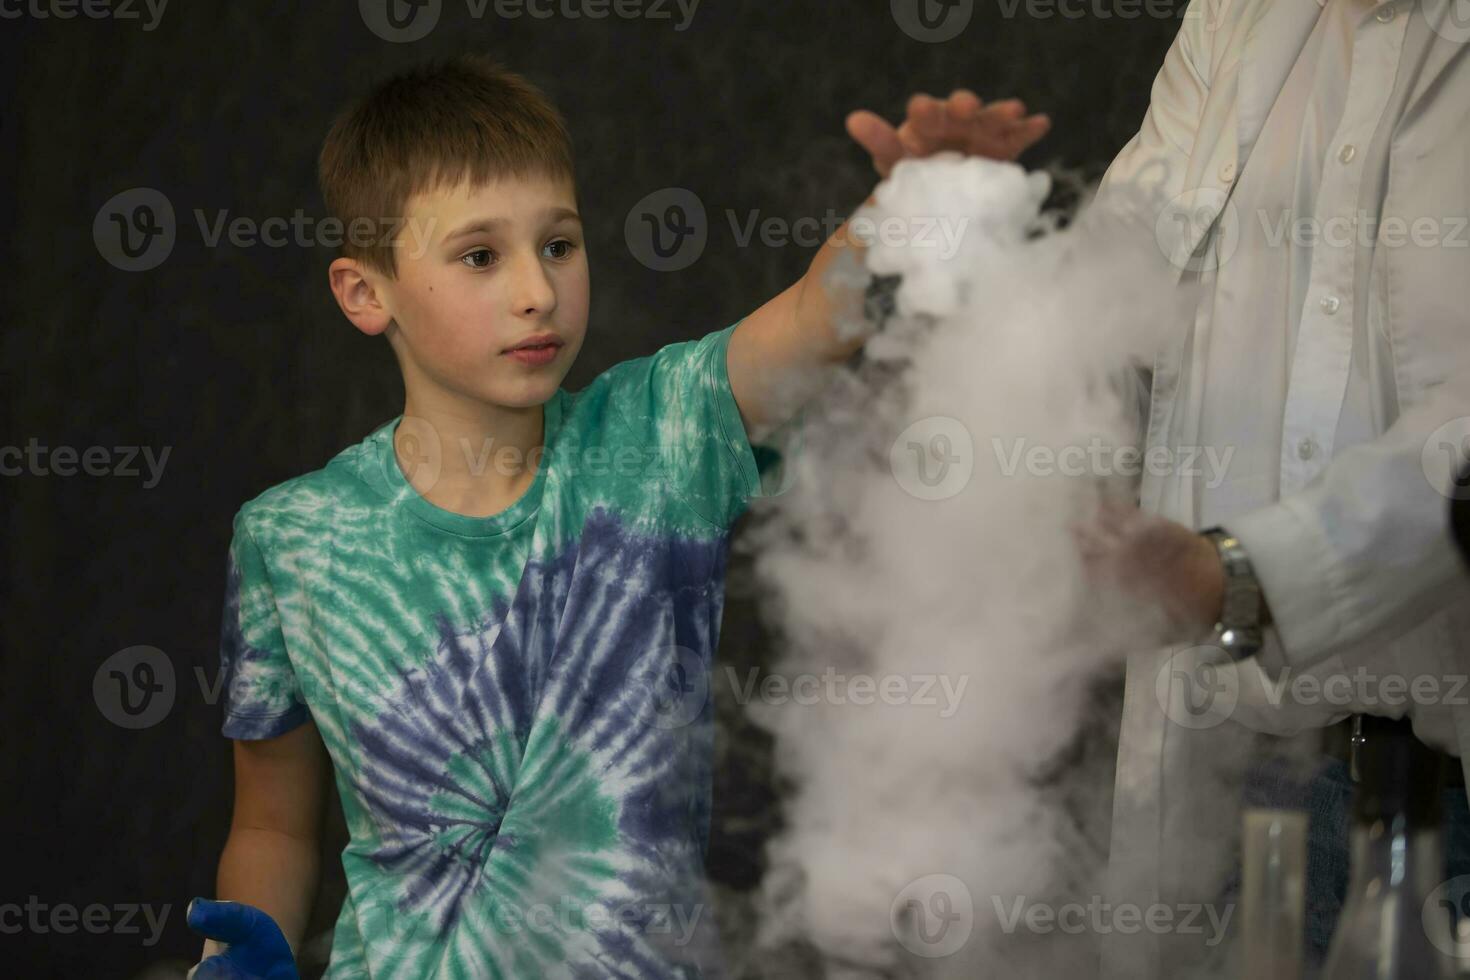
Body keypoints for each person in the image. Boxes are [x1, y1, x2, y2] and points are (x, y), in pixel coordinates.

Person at [186, 54, 1050, 979]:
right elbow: (273, 821)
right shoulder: (292, 540)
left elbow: (813, 319)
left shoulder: (660, 438)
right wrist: (233, 954)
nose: (537, 290)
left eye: (558, 244)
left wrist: (918, 200)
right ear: (366, 292)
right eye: (481, 255)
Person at [859, 0, 1469, 976]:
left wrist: (1244, 575)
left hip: (1445, 809)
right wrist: (971, 239)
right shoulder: (1233, 19)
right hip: (1233, 778)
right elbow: (1116, 292)